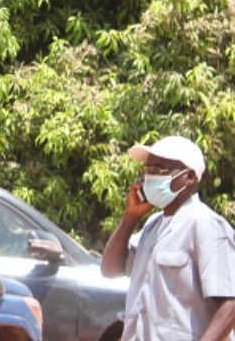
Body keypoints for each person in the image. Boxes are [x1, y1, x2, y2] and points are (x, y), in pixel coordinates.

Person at [100, 135, 235, 341]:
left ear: (188, 177)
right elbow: (110, 270)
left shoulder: (206, 225)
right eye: (147, 170)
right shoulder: (152, 226)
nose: (150, 177)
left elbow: (230, 303)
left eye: (159, 170)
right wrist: (130, 218)